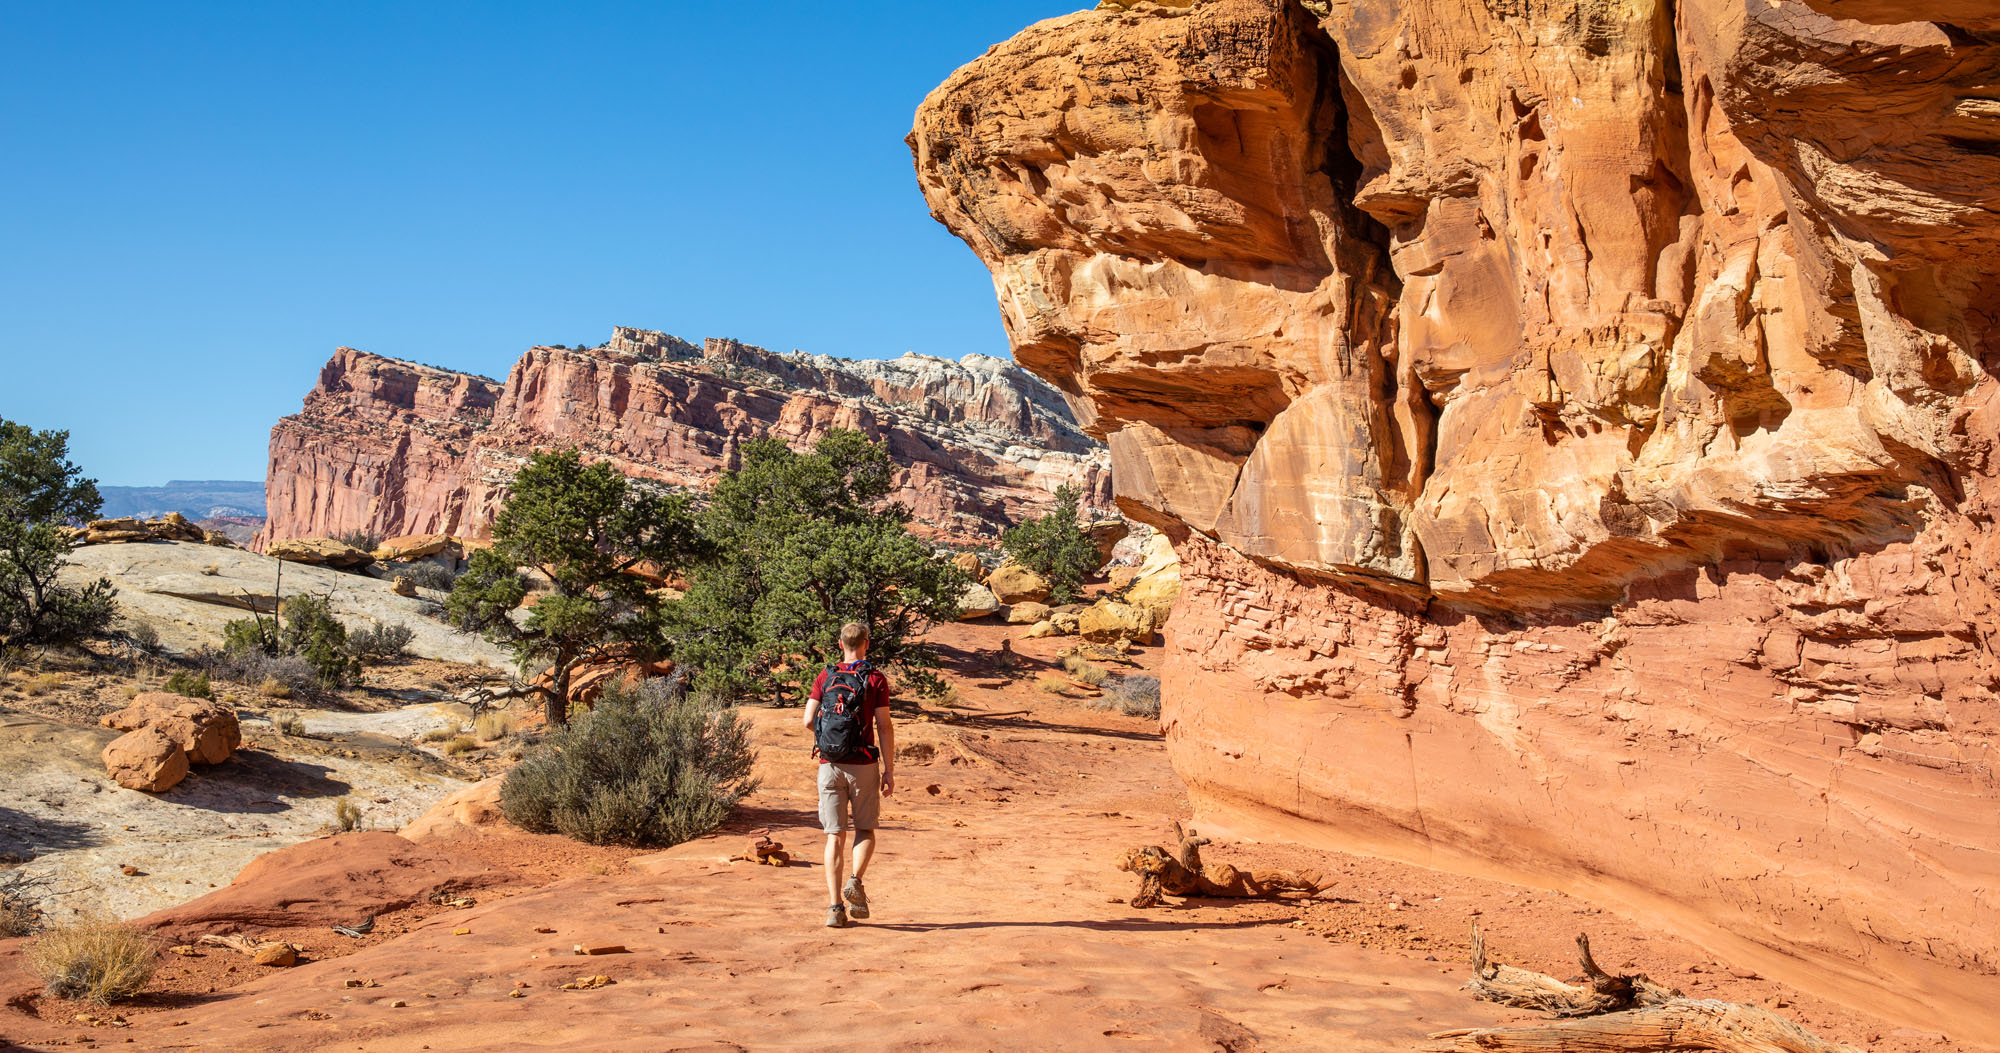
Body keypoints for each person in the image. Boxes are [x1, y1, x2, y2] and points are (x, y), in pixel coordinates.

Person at [803, 621, 895, 928]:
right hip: (863, 765)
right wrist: (889, 770)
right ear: (866, 644)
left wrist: (826, 739)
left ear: (840, 644)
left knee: (834, 836)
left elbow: (807, 720)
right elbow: (884, 726)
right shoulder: (875, 679)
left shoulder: (825, 676)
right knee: (865, 829)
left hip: (829, 765)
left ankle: (834, 908)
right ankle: (855, 880)